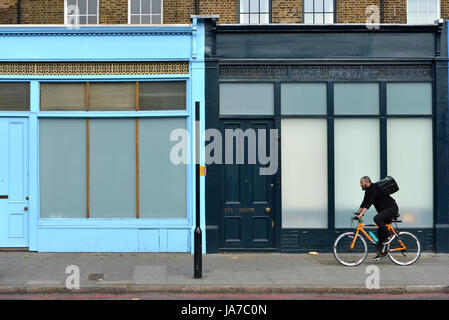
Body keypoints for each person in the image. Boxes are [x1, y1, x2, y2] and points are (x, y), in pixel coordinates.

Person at [355, 176, 399, 261]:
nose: (360, 184)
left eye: (361, 183)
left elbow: (368, 204)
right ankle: (381, 253)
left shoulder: (374, 188)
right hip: (386, 210)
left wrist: (361, 214)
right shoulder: (368, 190)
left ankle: (389, 234)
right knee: (380, 232)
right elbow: (364, 203)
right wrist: (357, 213)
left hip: (391, 208)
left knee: (376, 218)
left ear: (366, 182)